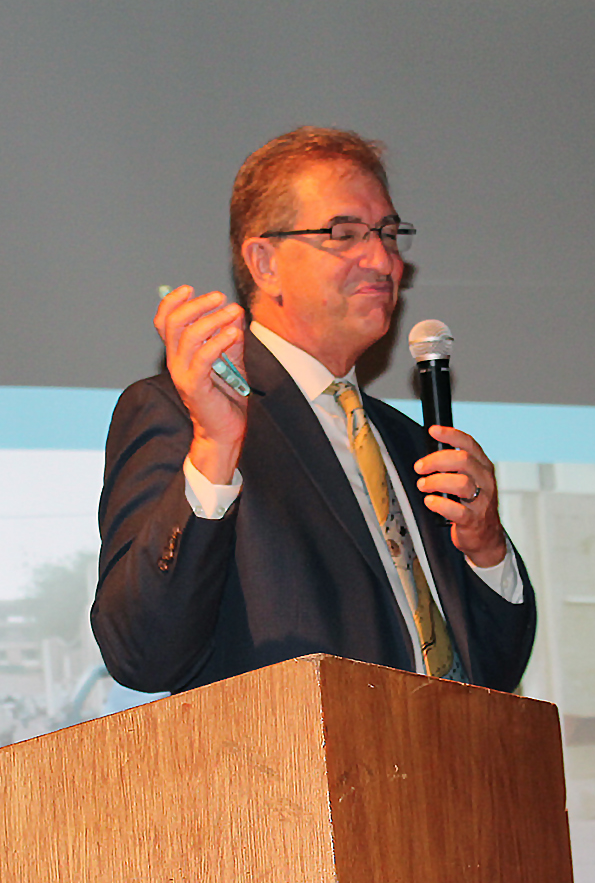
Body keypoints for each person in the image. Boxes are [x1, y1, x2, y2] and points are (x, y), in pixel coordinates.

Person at [92, 127, 535, 695]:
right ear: (265, 262)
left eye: (389, 233)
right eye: (344, 234)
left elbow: (493, 679)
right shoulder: (180, 416)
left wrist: (487, 547)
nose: (383, 260)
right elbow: (142, 655)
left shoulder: (412, 445)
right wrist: (215, 449)